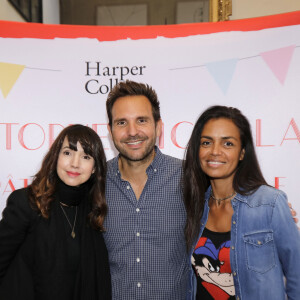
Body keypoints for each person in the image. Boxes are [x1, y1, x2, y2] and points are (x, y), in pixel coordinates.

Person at [183, 106, 300, 300]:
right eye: (206, 142)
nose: (215, 151)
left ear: (242, 153)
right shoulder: (194, 206)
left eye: (227, 143)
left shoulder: (269, 204)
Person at [0, 125, 111, 300]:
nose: (74, 163)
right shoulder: (26, 202)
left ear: (95, 168)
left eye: (85, 156)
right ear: (56, 156)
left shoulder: (92, 213)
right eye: (68, 153)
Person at [104, 80, 188, 299]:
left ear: (158, 126)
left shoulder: (189, 177)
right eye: (122, 122)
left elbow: (228, 205)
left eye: (141, 120)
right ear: (110, 130)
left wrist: (264, 208)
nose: (132, 132)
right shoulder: (94, 182)